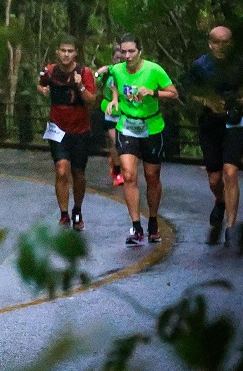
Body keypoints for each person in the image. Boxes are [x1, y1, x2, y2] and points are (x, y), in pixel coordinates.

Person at [106, 34, 179, 246]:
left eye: (131, 52)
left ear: (140, 51)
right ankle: (136, 227)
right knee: (129, 175)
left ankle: (153, 222)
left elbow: (173, 93)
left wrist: (152, 92)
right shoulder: (117, 69)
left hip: (151, 127)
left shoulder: (153, 69)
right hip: (127, 126)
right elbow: (112, 81)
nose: (127, 56)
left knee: (152, 176)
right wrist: (114, 99)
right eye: (123, 52)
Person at [183, 25, 243, 245]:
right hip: (210, 124)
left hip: (235, 123)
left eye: (225, 42)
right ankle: (220, 201)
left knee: (230, 172)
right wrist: (207, 101)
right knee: (215, 178)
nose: (221, 46)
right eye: (216, 42)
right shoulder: (201, 65)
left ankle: (230, 228)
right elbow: (188, 91)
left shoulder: (239, 63)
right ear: (209, 43)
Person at [37, 36, 97, 230]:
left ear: (75, 53)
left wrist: (79, 85)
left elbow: (91, 100)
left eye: (70, 51)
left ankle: (77, 210)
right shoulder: (50, 70)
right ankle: (63, 214)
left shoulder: (84, 72)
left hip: (80, 129)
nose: (66, 54)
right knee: (61, 169)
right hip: (57, 127)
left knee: (78, 172)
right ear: (57, 52)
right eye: (63, 50)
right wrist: (43, 88)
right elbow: (41, 81)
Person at [95, 44, 127, 188]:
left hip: (127, 112)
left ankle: (116, 163)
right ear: (113, 56)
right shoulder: (107, 72)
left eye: (122, 53)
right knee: (116, 142)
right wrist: (98, 74)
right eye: (117, 54)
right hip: (110, 112)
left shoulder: (130, 71)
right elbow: (96, 82)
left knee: (125, 143)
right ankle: (118, 171)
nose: (119, 57)